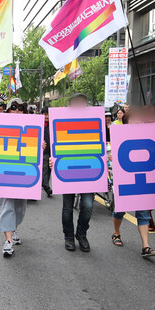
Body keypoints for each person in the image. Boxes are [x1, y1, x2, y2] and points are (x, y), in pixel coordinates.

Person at [109, 106, 155, 258]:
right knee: (120, 210)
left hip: (142, 180)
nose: (138, 123)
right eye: (134, 121)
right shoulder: (119, 137)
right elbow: (112, 155)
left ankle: (146, 246)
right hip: (125, 180)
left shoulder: (149, 137)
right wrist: (113, 158)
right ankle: (116, 233)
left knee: (143, 212)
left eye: (139, 121)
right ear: (126, 123)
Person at [0, 98, 30, 257]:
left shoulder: (32, 127)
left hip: (24, 173)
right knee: (7, 206)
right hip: (3, 174)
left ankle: (14, 228)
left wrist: (41, 146)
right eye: (14, 108)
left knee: (20, 208)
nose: (17, 111)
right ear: (8, 110)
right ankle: (8, 241)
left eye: (21, 108)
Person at [58, 93, 94, 252]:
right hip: (68, 170)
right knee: (67, 207)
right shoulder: (61, 122)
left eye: (82, 104)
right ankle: (68, 236)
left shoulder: (95, 122)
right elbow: (55, 144)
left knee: (87, 205)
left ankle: (81, 233)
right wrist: (54, 159)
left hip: (89, 170)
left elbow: (105, 143)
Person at [41, 107, 52, 198]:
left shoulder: (52, 125)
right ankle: (46, 186)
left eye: (48, 114)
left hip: (51, 151)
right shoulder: (38, 125)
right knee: (45, 168)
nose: (46, 116)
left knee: (49, 169)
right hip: (42, 151)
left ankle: (44, 183)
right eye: (45, 114)